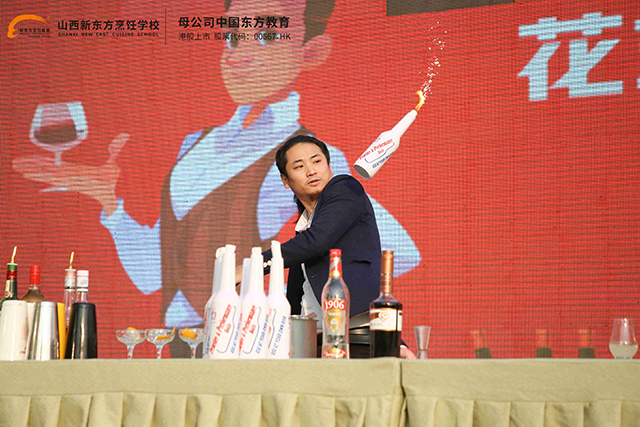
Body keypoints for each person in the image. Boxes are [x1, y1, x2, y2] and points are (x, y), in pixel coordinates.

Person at [13, 0, 420, 356]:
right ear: (286, 179)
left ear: (312, 51)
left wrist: (346, 302)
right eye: (232, 38)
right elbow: (156, 271)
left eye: (267, 37)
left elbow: (388, 250)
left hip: (271, 332)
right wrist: (110, 204)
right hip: (183, 338)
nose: (239, 55)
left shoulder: (335, 178)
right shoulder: (195, 144)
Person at [260, 135, 416, 358]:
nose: (311, 171)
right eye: (299, 166)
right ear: (286, 180)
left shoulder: (345, 188)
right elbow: (295, 296)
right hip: (311, 346)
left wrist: (255, 265)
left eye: (317, 161)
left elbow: (317, 242)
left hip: (356, 341)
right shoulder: (304, 231)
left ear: (329, 166)